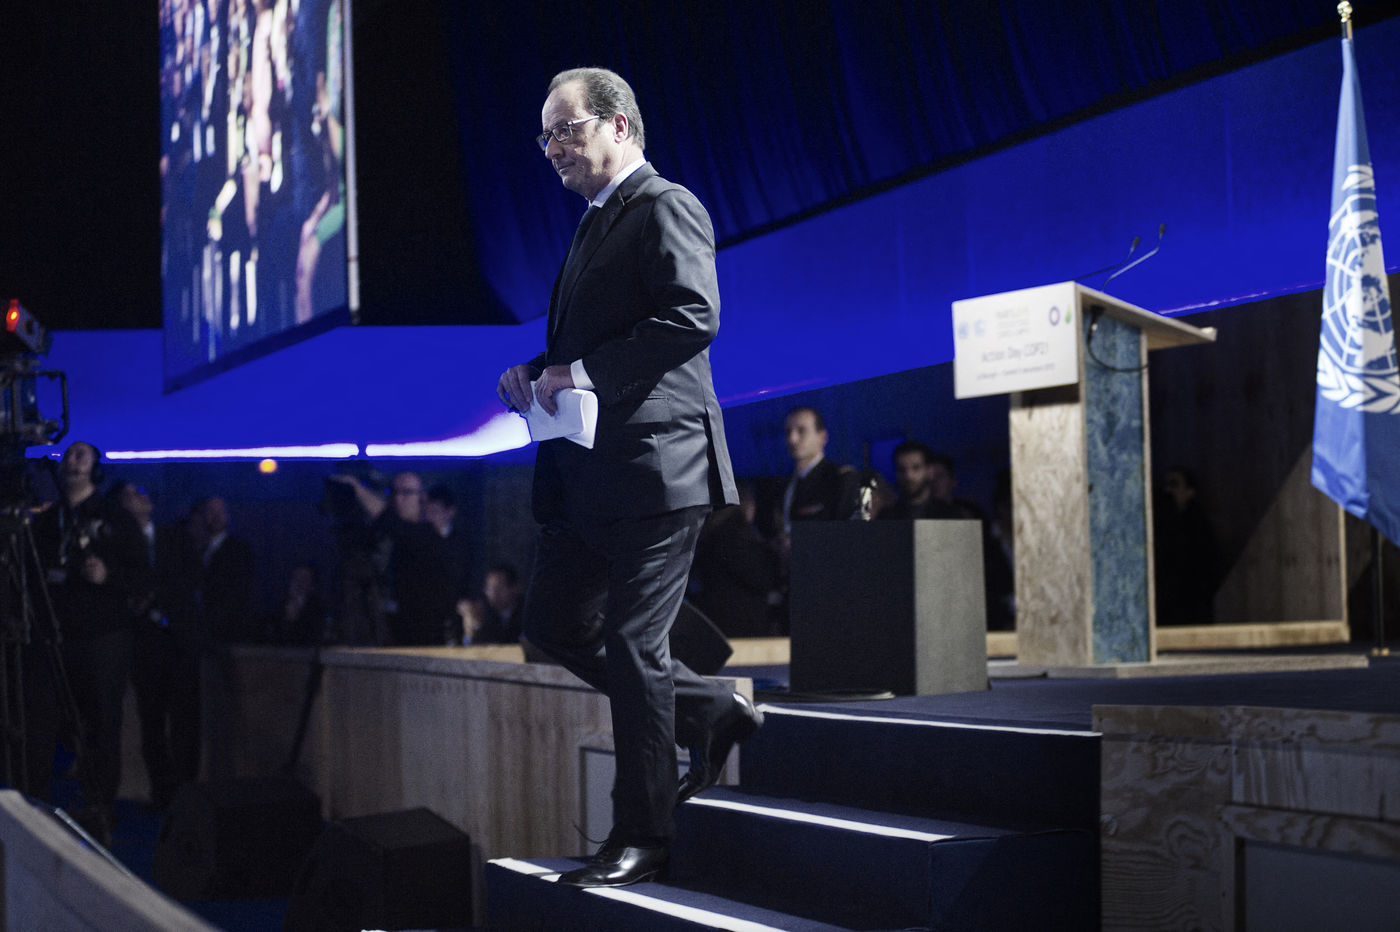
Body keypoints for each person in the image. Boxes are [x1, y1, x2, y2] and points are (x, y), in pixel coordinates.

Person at [496, 67, 760, 888]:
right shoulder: (594, 222)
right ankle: (712, 708)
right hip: (592, 477)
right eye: (545, 135)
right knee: (552, 624)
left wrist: (578, 372)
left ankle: (645, 835)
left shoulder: (666, 203)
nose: (552, 148)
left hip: (659, 466)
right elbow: (595, 338)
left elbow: (692, 315)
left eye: (566, 129)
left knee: (633, 643)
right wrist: (537, 369)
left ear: (619, 126)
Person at [30, 442, 147, 845]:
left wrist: (108, 576)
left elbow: (143, 577)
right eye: (69, 455)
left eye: (82, 455)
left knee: (101, 725)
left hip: (102, 639)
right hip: (54, 636)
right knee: (41, 724)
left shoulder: (115, 518)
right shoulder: (48, 521)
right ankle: (35, 809)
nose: (72, 460)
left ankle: (100, 810)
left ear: (96, 468)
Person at [879, 441, 961, 520]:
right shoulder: (886, 516)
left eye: (916, 468)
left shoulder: (949, 515)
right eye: (901, 469)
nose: (908, 476)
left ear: (930, 471)